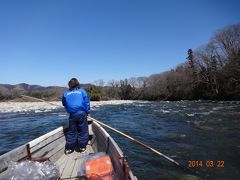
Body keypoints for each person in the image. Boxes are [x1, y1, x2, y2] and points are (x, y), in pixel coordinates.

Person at [62, 78, 90, 154]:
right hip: (81, 113)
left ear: (69, 85)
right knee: (83, 130)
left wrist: (69, 108)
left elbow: (64, 103)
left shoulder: (66, 93)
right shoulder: (82, 91)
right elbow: (86, 103)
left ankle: (69, 149)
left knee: (71, 131)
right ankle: (82, 147)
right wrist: (88, 112)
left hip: (72, 114)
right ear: (77, 84)